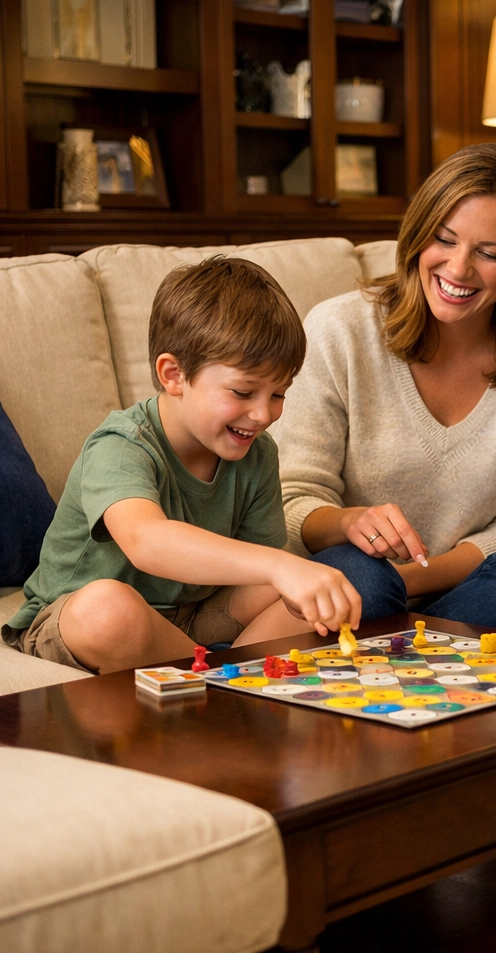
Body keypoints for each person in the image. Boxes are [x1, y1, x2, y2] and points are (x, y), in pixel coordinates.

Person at [2, 257, 361, 676]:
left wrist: (292, 575)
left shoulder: (257, 453)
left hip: (194, 615)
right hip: (79, 618)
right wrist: (280, 566)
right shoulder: (121, 444)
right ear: (173, 375)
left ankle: (226, 677)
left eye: (279, 394)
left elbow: (261, 564)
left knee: (310, 592)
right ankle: (218, 677)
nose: (264, 414)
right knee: (108, 611)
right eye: (244, 392)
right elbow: (146, 540)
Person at [274, 144, 496, 627]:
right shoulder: (340, 331)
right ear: (418, 234)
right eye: (444, 239)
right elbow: (292, 497)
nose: (457, 270)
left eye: (489, 253)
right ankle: (435, 656)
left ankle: (407, 652)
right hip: (352, 578)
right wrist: (349, 522)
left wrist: (407, 580)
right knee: (360, 578)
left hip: (464, 592)